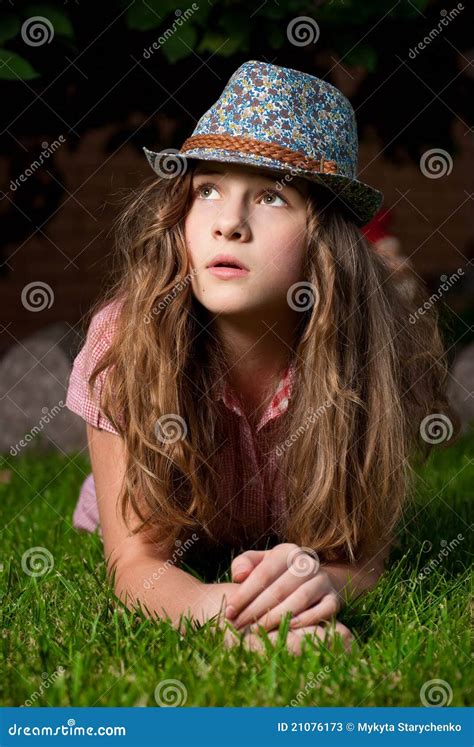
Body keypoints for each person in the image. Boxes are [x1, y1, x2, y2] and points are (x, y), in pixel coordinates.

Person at [65, 60, 458, 656]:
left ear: (325, 240)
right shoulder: (125, 342)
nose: (228, 224)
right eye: (208, 190)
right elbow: (135, 558)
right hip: (172, 518)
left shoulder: (370, 355)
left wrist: (315, 579)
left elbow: (363, 556)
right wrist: (218, 610)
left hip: (286, 526)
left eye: (272, 196)